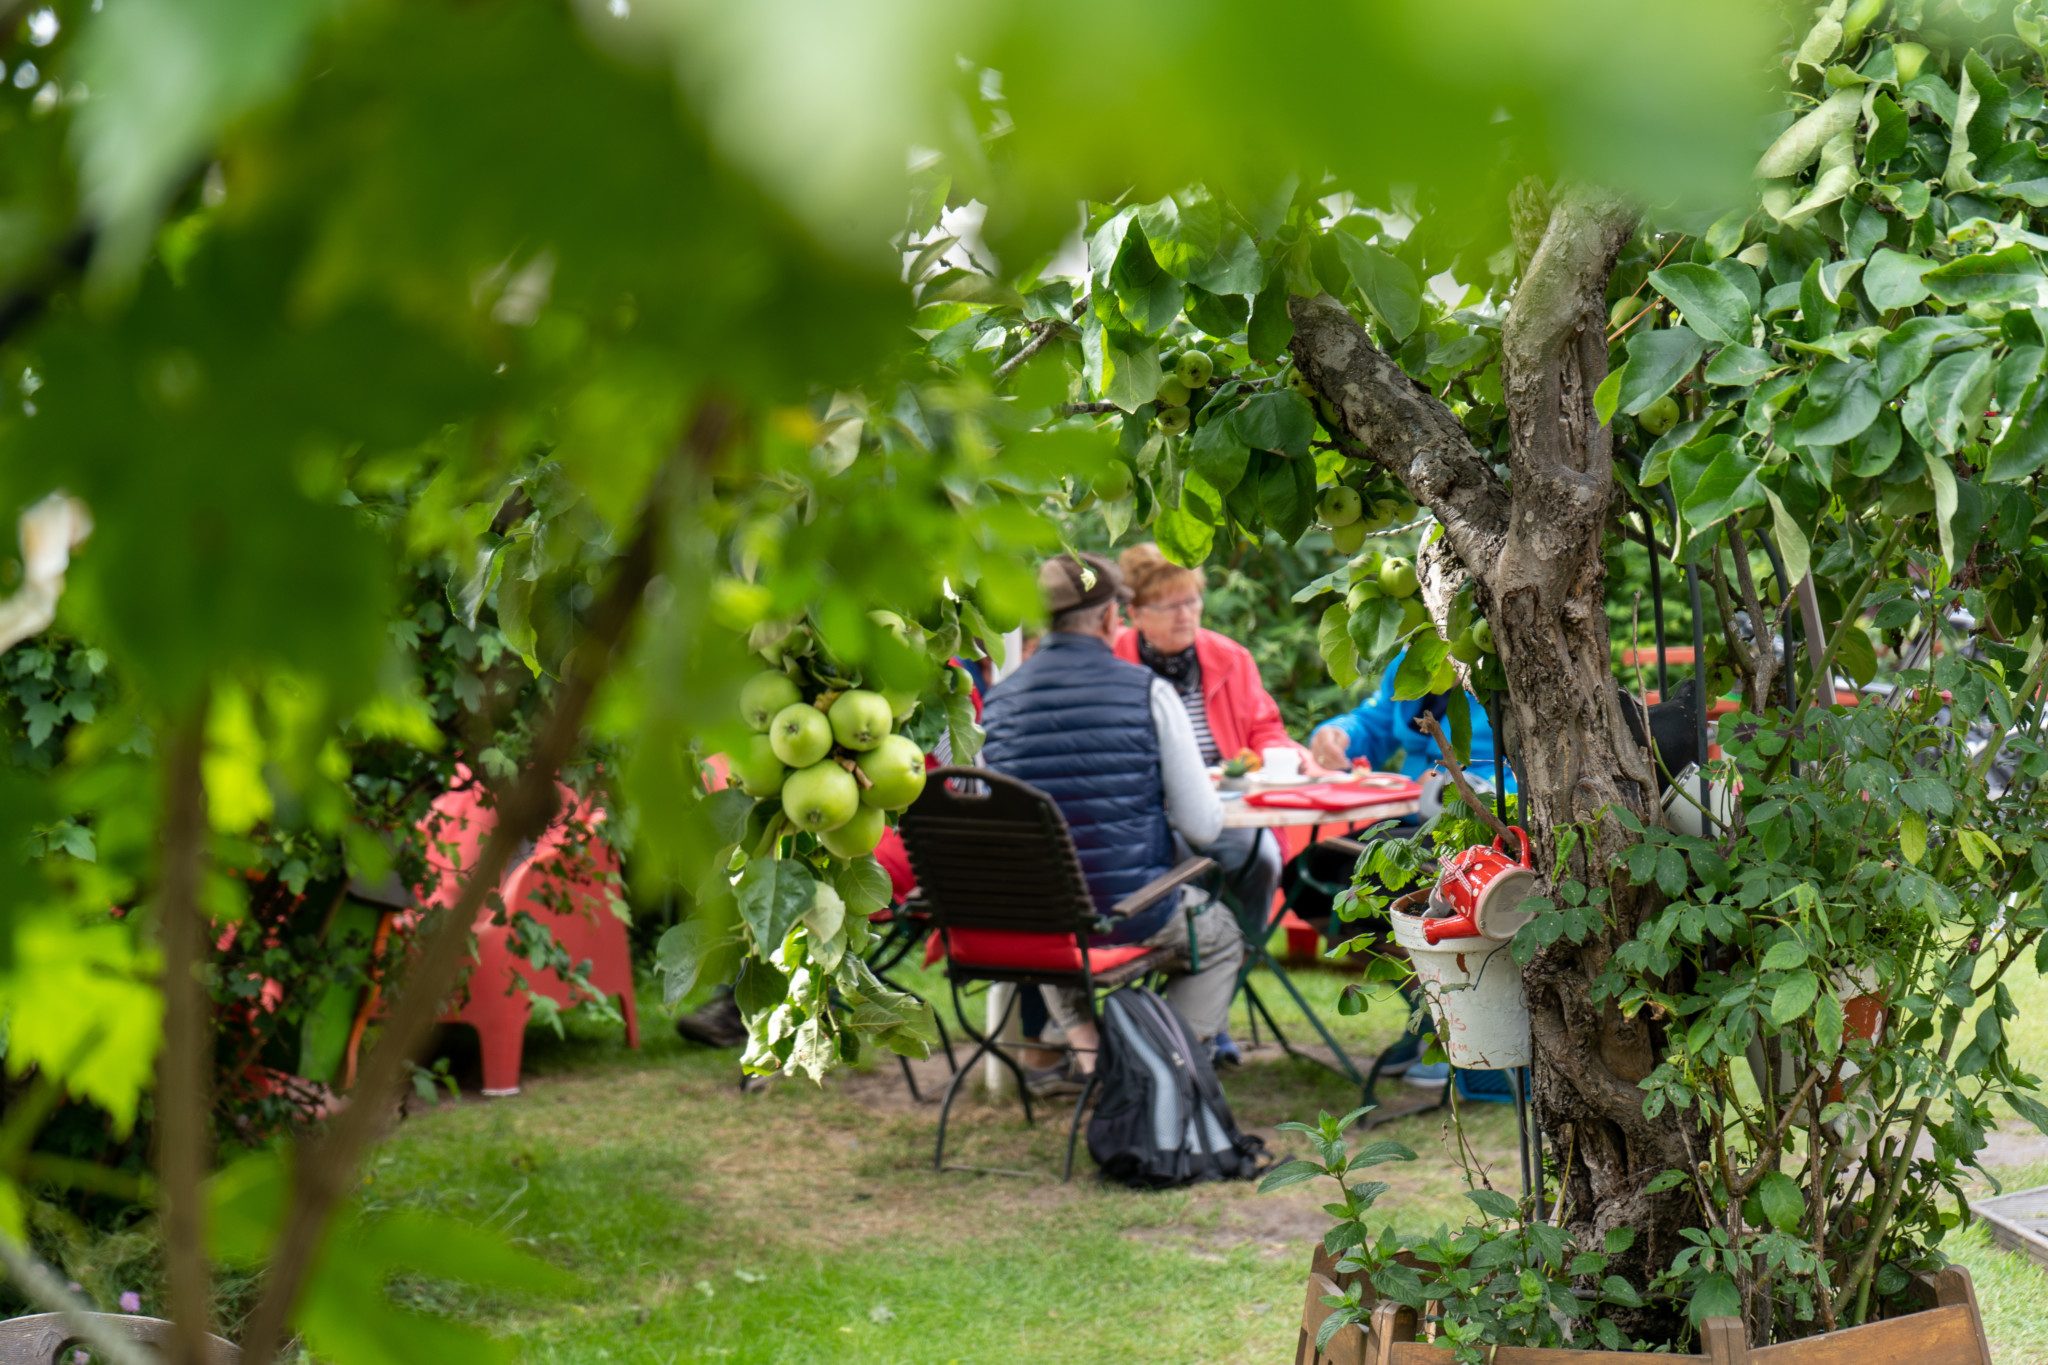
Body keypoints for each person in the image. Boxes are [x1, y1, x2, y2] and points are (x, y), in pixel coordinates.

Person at [978, 551, 1244, 1095]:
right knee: (1220, 936)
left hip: (1040, 922)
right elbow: (1202, 826)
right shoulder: (1148, 692)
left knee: (1055, 910)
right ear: (1107, 619)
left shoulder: (997, 705)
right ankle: (1163, 1065)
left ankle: (1091, 1056)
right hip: (1131, 914)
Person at [1111, 543, 1321, 1064]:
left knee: (1264, 858)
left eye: (1192, 602)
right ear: (1135, 613)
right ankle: (1198, 1018)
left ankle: (1214, 1004)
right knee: (1191, 866)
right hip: (1148, 813)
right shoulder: (1113, 659)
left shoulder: (1229, 657)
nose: (1186, 615)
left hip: (1226, 804)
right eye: (1170, 605)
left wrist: (1279, 756)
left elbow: (1266, 728)